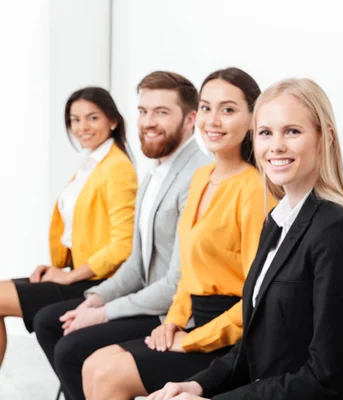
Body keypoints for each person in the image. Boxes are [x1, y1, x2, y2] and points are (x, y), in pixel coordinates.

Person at [148, 78, 343, 400]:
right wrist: (198, 385)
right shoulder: (277, 222)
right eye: (266, 133)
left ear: (325, 138)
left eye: (292, 131)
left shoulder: (337, 231)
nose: (276, 146)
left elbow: (328, 378)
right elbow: (255, 344)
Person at [81, 67, 278, 400]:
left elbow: (255, 298)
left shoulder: (255, 191)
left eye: (228, 110)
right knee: (94, 364)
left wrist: (193, 338)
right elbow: (189, 271)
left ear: (252, 119)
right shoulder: (201, 177)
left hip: (231, 341)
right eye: (206, 108)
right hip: (192, 322)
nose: (213, 120)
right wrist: (172, 321)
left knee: (109, 376)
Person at [33, 71, 210, 400]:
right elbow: (135, 263)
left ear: (191, 119)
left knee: (70, 348)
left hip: (174, 313)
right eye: (143, 111)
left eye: (161, 112)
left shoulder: (198, 176)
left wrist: (102, 313)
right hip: (148, 298)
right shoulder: (155, 171)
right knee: (51, 323)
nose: (148, 122)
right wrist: (94, 299)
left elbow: (175, 284)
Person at [0, 87, 137, 369]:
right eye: (75, 120)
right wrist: (56, 268)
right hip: (76, 273)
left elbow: (122, 246)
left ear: (112, 121)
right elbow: (78, 227)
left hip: (97, 283)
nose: (82, 127)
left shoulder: (117, 168)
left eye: (92, 118)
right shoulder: (91, 164)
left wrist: (70, 275)